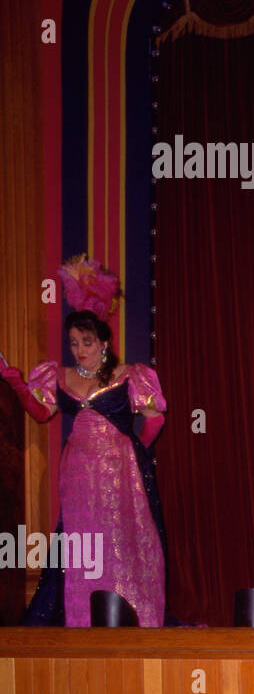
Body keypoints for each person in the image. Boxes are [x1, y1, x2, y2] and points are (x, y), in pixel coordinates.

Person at [0, 256, 168, 627]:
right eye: (74, 343)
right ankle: (81, 619)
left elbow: (155, 419)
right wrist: (14, 381)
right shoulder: (58, 376)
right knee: (83, 545)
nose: (79, 350)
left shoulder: (129, 375)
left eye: (87, 342)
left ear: (104, 342)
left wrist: (134, 450)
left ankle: (134, 617)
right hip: (77, 474)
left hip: (121, 473)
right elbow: (42, 413)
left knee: (123, 543)